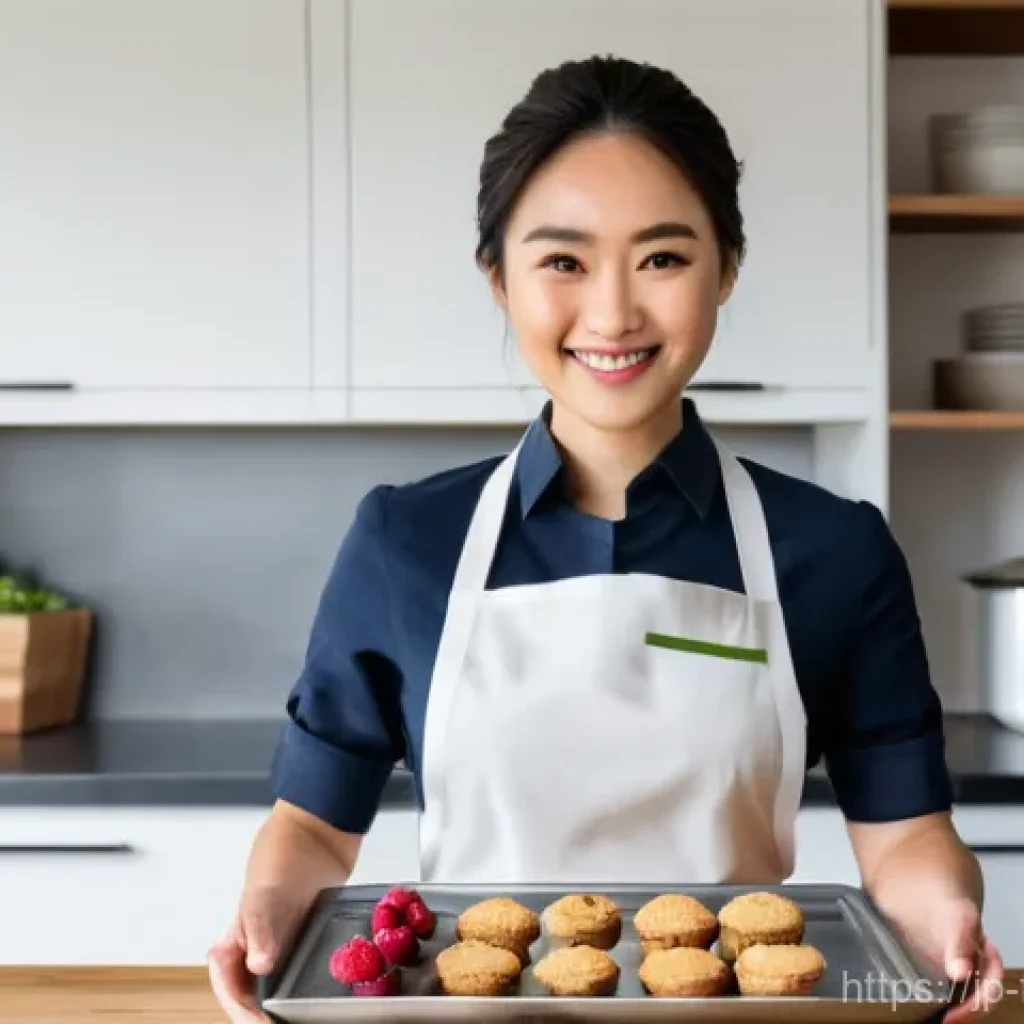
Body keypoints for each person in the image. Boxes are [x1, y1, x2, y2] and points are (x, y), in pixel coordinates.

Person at [208, 55, 1002, 1022]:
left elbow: (904, 835)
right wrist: (264, 916)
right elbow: (314, 829)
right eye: (563, 261)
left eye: (663, 258)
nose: (614, 313)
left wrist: (944, 913)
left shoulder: (836, 550)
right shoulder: (404, 541)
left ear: (728, 268)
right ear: (498, 278)